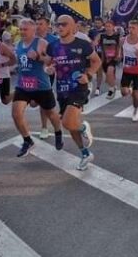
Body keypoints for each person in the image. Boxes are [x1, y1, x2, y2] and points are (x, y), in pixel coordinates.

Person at [43, 15, 101, 171]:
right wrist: (48, 69)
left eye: (64, 24)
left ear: (72, 26)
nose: (60, 27)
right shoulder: (53, 46)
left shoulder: (83, 45)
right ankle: (85, 153)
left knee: (68, 122)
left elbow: (97, 61)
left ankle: (83, 128)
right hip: (62, 89)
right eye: (57, 24)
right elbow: (47, 64)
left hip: (78, 88)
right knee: (70, 126)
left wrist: (88, 75)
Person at [11, 18, 63, 156]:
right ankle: (27, 140)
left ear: (33, 30)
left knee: (51, 113)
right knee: (16, 113)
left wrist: (38, 57)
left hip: (41, 85)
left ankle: (58, 133)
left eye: (25, 29)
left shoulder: (41, 43)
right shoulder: (18, 44)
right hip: (23, 85)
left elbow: (52, 59)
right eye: (21, 29)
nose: (22, 32)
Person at [120, 20, 138, 121]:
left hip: (137, 71)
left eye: (133, 28)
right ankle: (131, 90)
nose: (131, 30)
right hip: (126, 70)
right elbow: (119, 52)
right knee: (124, 92)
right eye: (129, 28)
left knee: (136, 95)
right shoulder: (122, 40)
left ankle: (135, 111)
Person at [36, 17, 59, 138]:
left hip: (46, 73)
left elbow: (57, 57)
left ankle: (44, 128)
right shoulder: (31, 38)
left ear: (48, 26)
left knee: (43, 103)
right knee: (35, 102)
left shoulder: (54, 40)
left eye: (41, 24)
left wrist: (51, 67)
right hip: (31, 74)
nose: (38, 26)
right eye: (37, 23)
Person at [98, 20, 121, 99]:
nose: (107, 28)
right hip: (104, 58)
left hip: (114, 58)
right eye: (106, 26)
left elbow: (120, 46)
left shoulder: (117, 36)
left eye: (109, 26)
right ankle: (113, 86)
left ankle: (111, 90)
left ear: (113, 27)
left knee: (110, 71)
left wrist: (119, 55)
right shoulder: (101, 36)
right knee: (108, 77)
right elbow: (93, 43)